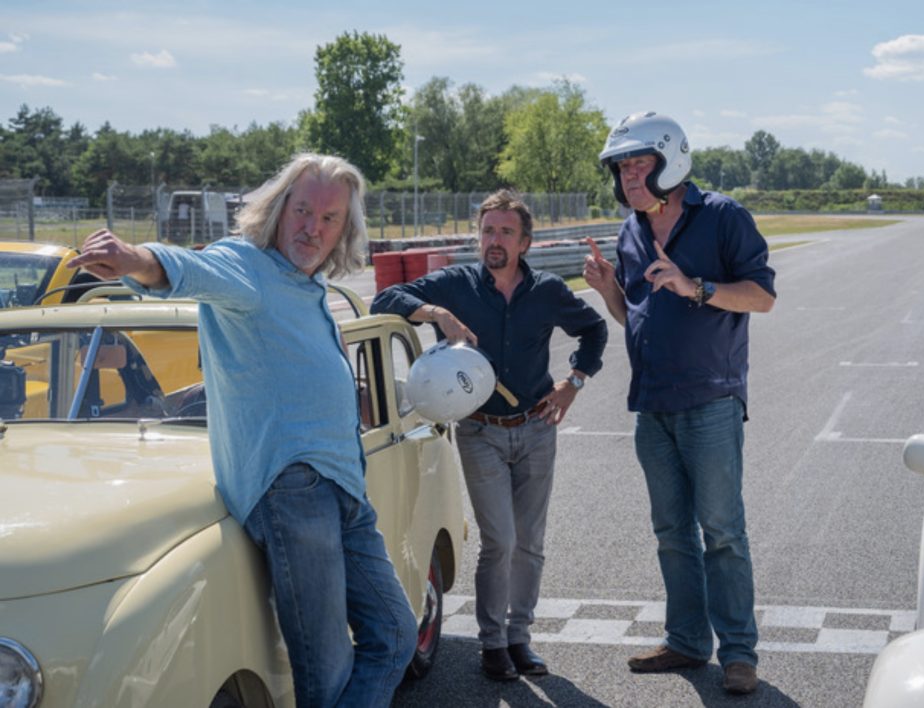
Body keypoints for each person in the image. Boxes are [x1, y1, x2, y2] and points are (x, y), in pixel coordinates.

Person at [67, 153, 417, 708]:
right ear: (279, 208)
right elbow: (191, 269)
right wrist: (135, 259)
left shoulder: (305, 285)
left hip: (344, 489)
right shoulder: (248, 267)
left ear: (343, 230)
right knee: (327, 675)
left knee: (396, 634)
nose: (313, 228)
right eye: (303, 211)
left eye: (329, 218)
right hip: (295, 489)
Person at [371, 189, 607, 681]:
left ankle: (520, 638)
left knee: (530, 542)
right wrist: (437, 314)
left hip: (538, 427)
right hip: (480, 431)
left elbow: (595, 330)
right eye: (487, 231)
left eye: (505, 232)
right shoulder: (455, 285)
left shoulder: (546, 290)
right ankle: (493, 643)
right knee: (500, 539)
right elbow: (386, 298)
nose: (494, 240)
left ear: (524, 242)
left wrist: (573, 383)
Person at [583, 112, 775, 696]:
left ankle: (738, 653)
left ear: (671, 162)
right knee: (671, 531)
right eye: (622, 168)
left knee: (722, 531)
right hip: (652, 404)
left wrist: (696, 286)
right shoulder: (631, 231)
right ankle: (688, 641)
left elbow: (762, 296)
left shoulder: (723, 217)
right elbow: (636, 317)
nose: (629, 176)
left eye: (639, 164)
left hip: (711, 399)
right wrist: (609, 291)